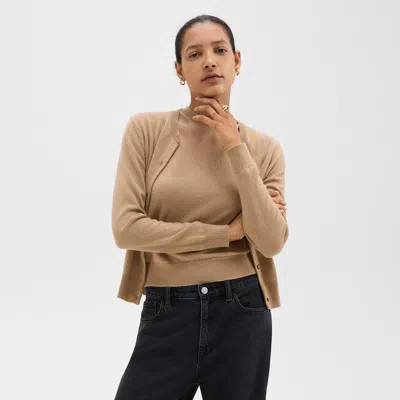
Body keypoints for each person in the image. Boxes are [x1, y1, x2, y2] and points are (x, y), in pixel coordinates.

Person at [112, 14, 288, 400]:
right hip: (167, 309)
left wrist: (234, 146)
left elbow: (272, 241)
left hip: (242, 311)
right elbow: (126, 228)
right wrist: (227, 233)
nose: (209, 61)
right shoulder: (146, 131)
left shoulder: (264, 149)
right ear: (179, 70)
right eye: (195, 54)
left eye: (219, 50)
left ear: (236, 61)